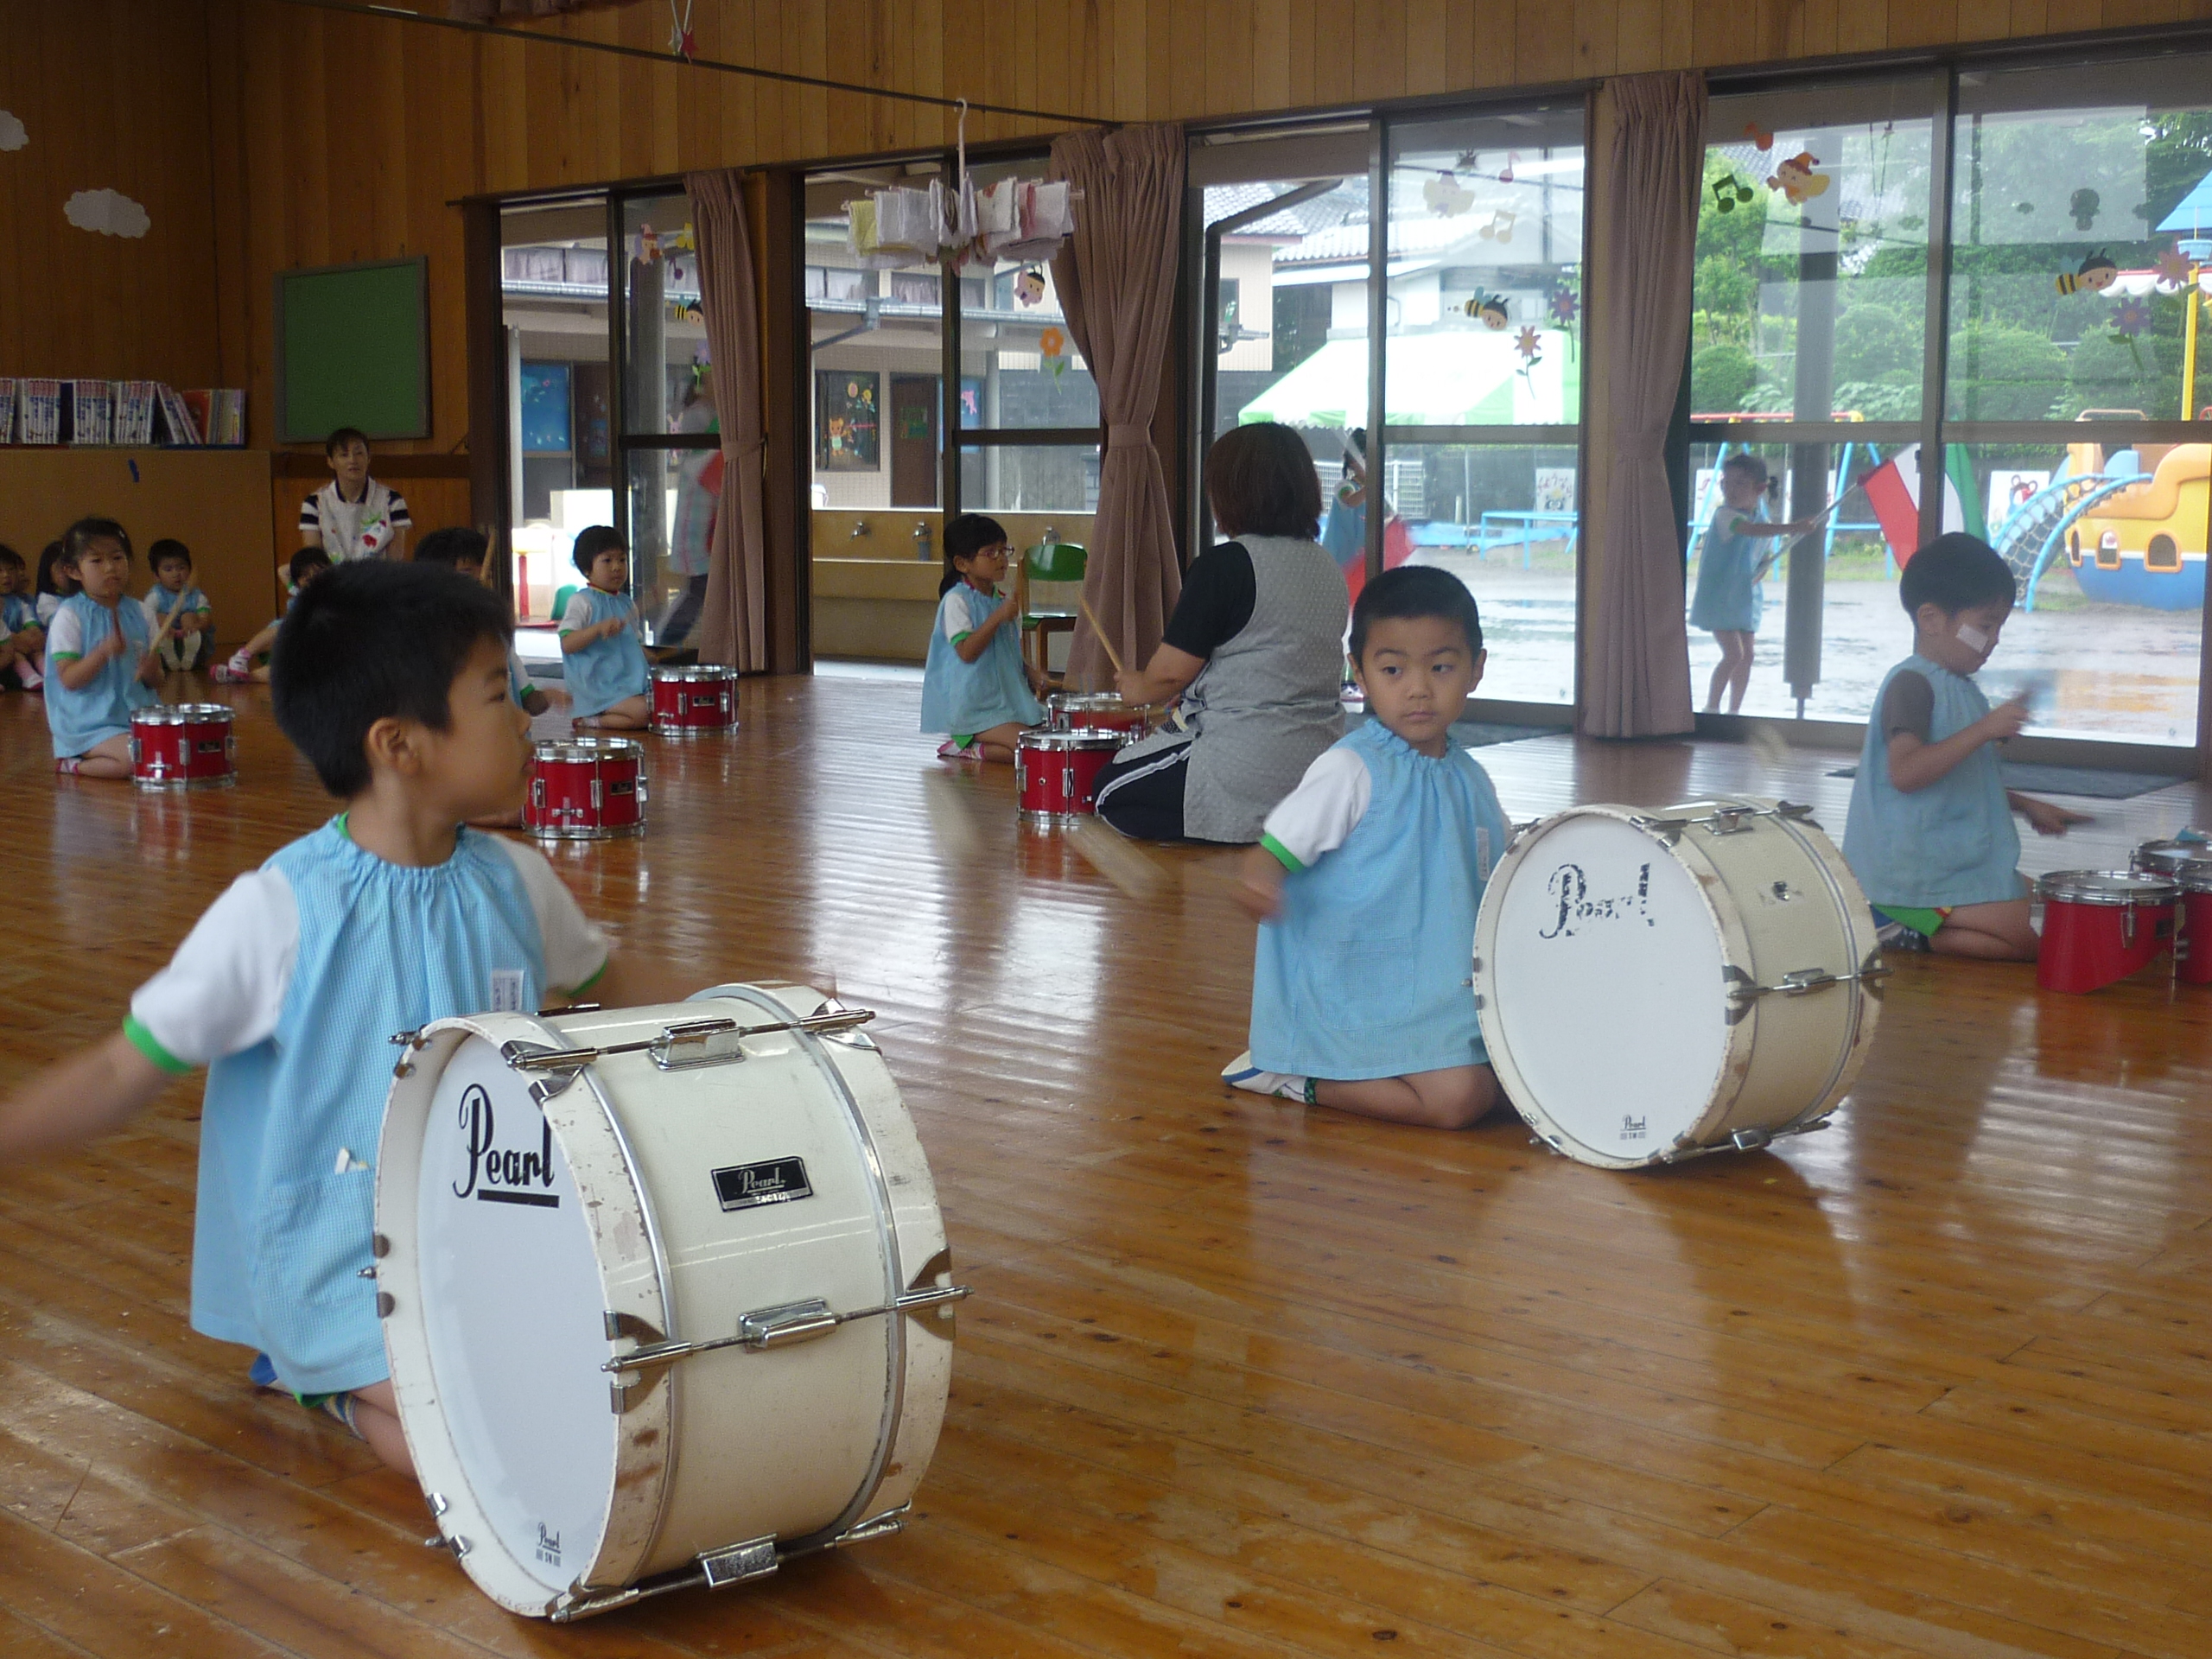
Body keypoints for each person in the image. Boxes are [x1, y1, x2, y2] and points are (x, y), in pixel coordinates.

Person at [0, 562, 615, 1477]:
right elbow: (121, 1068)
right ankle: (324, 1381)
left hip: (489, 1236)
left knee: (589, 1408)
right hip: (335, 1260)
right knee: (476, 1445)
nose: (528, 718)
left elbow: (620, 989)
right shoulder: (281, 909)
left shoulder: (517, 882)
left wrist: (759, 1022)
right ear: (399, 744)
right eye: (499, 695)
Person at [1221, 567, 1510, 1128]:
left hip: (1440, 995)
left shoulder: (1472, 778)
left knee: (1519, 1089)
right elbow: (1274, 850)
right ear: (1360, 673)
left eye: (1441, 667)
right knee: (1458, 1101)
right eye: (1394, 669)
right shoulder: (1350, 769)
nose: (1418, 688)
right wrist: (1260, 876)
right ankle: (1288, 1074)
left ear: (1476, 668)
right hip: (1357, 996)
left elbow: (1503, 872)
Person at [1096, 423, 1350, 842]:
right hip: (1321, 763)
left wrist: (1137, 687)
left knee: (1109, 791)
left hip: (1246, 759)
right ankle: (1290, 825)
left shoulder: (1226, 564)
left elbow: (1169, 675)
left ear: (1230, 492)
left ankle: (1247, 825)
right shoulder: (1326, 566)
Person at [1842, 533, 2088, 960]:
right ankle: (1901, 922)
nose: (1994, 640)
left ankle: (1916, 931)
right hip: (1911, 876)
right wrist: (1984, 729)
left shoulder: (1963, 690)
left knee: (2057, 912)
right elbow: (1907, 773)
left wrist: (2026, 805)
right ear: (1931, 619)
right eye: (1985, 626)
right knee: (2046, 939)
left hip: (1951, 867)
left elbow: (1959, 779)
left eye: (2000, 628)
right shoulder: (1911, 684)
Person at [1689, 454, 1821, 715]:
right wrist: (1794, 527)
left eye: (1740, 483)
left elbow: (1762, 557)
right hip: (1719, 598)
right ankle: (1711, 708)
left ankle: (1734, 711)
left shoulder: (1762, 517)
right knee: (1734, 654)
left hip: (1744, 598)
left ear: (1760, 489)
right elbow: (1750, 530)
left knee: (1747, 656)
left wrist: (1762, 568)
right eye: (1726, 482)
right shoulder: (1725, 515)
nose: (1731, 490)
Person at [920, 512, 1044, 763]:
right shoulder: (956, 601)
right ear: (962, 564)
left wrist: (1030, 672)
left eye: (1003, 550)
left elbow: (1006, 651)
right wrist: (998, 617)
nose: (1001, 559)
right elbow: (967, 652)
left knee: (1046, 742)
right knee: (1032, 749)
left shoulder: (1002, 600)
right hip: (975, 708)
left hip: (1008, 701)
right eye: (990, 553)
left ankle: (979, 749)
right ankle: (967, 746)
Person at [46, 518, 161, 778]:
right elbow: (69, 680)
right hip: (89, 723)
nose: (110, 568)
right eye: (97, 561)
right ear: (73, 571)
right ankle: (73, 764)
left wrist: (151, 672)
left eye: (117, 558)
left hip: (139, 716)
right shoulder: (69, 615)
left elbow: (156, 681)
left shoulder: (142, 612)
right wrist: (102, 652)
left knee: (169, 750)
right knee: (136, 759)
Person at [415, 527, 550, 715]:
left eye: (486, 575)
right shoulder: (427, 644)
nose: (482, 583)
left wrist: (551, 696)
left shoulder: (498, 637)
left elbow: (529, 700)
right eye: (466, 574)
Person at [560, 525, 650, 730]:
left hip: (628, 686)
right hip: (598, 689)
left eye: (622, 560)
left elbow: (630, 645)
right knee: (645, 712)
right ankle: (591, 720)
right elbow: (567, 644)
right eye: (607, 560)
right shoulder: (581, 601)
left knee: (662, 706)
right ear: (586, 569)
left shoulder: (626, 603)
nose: (617, 567)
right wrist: (597, 629)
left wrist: (649, 656)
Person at [215, 547, 332, 684]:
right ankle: (242, 656)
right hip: (281, 641)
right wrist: (303, 564)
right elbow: (282, 570)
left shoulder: (335, 597)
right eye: (306, 576)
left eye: (318, 573)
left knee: (291, 671)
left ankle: (243, 677)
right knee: (284, 627)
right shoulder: (299, 594)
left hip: (304, 651)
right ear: (298, 583)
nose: (314, 579)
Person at [299, 428, 410, 563]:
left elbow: (395, 562)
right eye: (344, 455)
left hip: (377, 575)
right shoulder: (314, 503)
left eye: (359, 453)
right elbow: (314, 560)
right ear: (330, 462)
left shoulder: (392, 501)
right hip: (332, 575)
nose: (352, 460)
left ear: (368, 458)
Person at [143, 538, 214, 673]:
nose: (176, 574)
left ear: (189, 570)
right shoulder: (155, 596)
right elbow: (145, 619)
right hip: (162, 644)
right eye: (168, 569)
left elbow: (206, 619)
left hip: (195, 645)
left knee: (188, 616)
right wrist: (164, 628)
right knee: (158, 617)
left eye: (181, 568)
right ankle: (167, 650)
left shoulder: (197, 595)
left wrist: (196, 627)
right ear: (156, 575)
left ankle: (190, 653)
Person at [0, 544, 45, 689]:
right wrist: (14, 640)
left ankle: (48, 674)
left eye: (11, 570)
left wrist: (34, 634)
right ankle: (29, 677)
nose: (6, 575)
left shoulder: (19, 602)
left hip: (23, 643)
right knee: (16, 655)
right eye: (0, 571)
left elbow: (29, 620)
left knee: (37, 652)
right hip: (6, 647)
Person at [35, 538, 76, 626]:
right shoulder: (47, 600)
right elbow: (62, 624)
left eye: (73, 567)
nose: (69, 573)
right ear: (48, 573)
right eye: (61, 568)